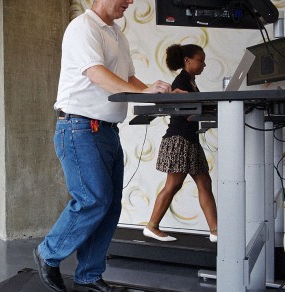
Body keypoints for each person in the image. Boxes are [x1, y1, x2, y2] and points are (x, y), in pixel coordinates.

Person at [33, 1, 176, 291]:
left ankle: (89, 273)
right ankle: (48, 252)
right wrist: (142, 91)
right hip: (79, 128)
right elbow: (96, 73)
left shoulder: (116, 33)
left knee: (110, 206)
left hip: (106, 130)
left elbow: (128, 79)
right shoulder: (83, 28)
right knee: (93, 199)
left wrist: (154, 93)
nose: (131, 1)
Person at [142, 44, 218, 243]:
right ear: (187, 61)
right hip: (179, 139)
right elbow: (185, 113)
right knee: (173, 184)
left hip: (190, 139)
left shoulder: (191, 82)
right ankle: (151, 226)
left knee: (204, 183)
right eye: (200, 60)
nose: (204, 64)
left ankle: (215, 230)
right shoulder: (181, 81)